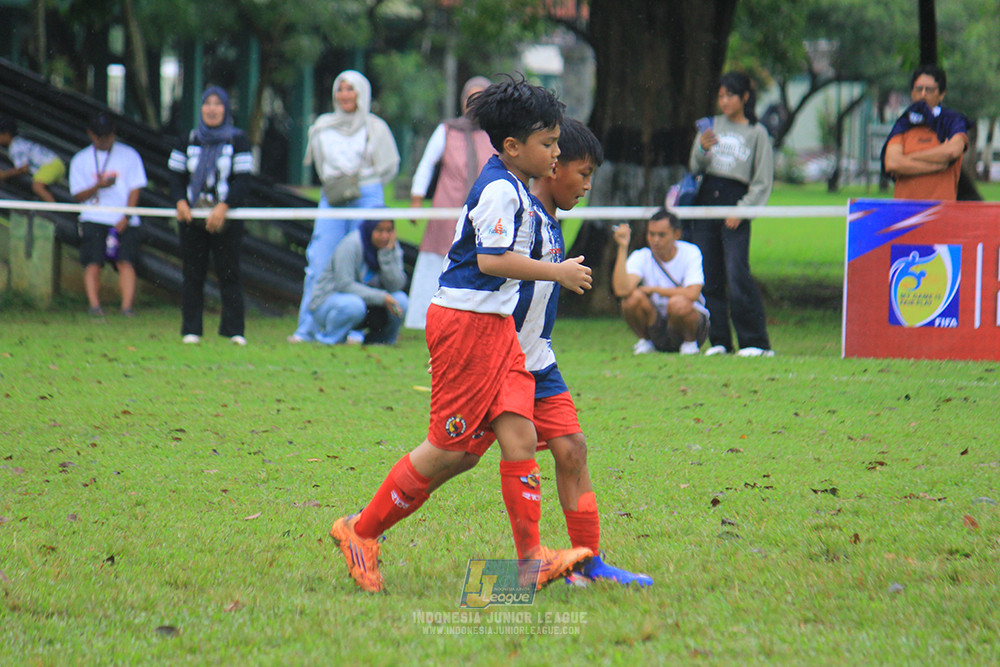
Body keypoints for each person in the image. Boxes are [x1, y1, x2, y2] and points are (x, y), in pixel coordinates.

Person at [328, 76, 594, 593]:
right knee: (449, 451)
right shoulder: (498, 188)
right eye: (549, 144)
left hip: (494, 326)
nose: (557, 153)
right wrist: (555, 271)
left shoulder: (515, 184)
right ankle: (359, 532)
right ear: (514, 147)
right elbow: (492, 260)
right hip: (464, 324)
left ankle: (531, 560)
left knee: (516, 437)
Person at [425, 118, 653, 587]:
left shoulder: (547, 222)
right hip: (498, 362)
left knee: (571, 448)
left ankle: (584, 563)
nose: (587, 185)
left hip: (537, 360)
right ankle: (369, 524)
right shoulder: (517, 213)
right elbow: (482, 273)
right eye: (582, 172)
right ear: (550, 166)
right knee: (452, 458)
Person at [289, 70, 400, 343]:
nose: (345, 95)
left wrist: (363, 183)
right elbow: (320, 165)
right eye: (341, 89)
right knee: (320, 259)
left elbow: (388, 168)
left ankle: (356, 325)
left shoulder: (375, 127)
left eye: (351, 89)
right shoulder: (323, 126)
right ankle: (307, 328)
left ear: (362, 92)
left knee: (362, 260)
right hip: (334, 194)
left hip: (368, 192)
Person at [688, 71, 774, 358]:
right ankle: (720, 341)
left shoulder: (757, 133)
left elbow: (762, 181)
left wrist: (743, 209)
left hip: (736, 203)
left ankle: (755, 343)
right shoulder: (711, 125)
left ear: (745, 98)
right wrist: (702, 148)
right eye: (721, 95)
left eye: (730, 95)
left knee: (737, 273)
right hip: (706, 201)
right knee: (709, 274)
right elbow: (695, 166)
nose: (724, 101)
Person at [404, 76, 495, 330]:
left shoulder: (497, 132)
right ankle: (421, 320)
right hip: (446, 208)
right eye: (470, 98)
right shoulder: (447, 130)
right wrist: (416, 199)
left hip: (484, 210)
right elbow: (426, 165)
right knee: (436, 259)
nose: (474, 104)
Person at [168, 86, 253, 346]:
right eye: (207, 103)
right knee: (193, 272)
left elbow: (243, 180)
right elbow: (175, 176)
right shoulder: (188, 139)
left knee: (229, 272)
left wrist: (223, 208)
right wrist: (181, 201)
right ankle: (191, 329)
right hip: (193, 217)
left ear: (226, 109)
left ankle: (233, 330)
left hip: (226, 218)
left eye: (218, 103)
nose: (212, 109)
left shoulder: (238, 140)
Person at [69, 111, 147, 317]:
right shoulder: (80, 159)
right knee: (93, 262)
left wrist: (126, 216)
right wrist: (98, 186)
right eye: (99, 135)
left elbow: (136, 188)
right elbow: (77, 195)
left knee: (126, 262)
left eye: (108, 135)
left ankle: (127, 308)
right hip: (93, 217)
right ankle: (95, 307)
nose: (104, 140)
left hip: (122, 218)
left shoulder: (130, 155)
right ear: (90, 134)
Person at [613, 209, 709, 356]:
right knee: (631, 299)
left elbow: (693, 293)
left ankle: (689, 343)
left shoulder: (690, 252)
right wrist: (622, 247)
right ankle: (646, 341)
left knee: (677, 303)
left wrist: (654, 290)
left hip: (687, 320)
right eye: (651, 234)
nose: (655, 240)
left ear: (676, 234)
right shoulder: (642, 256)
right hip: (656, 321)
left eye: (661, 235)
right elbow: (622, 290)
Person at [308, 218, 408, 345]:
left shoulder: (391, 247)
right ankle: (330, 340)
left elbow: (396, 286)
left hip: (367, 305)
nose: (385, 236)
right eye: (379, 230)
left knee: (401, 301)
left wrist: (386, 255)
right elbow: (344, 285)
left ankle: (381, 341)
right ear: (370, 229)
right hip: (330, 303)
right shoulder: (351, 244)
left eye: (389, 231)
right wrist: (381, 297)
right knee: (353, 305)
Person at [882, 65, 969, 201]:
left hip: (942, 214)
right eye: (918, 89)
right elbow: (893, 163)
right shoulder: (903, 125)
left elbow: (952, 151)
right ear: (912, 92)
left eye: (929, 90)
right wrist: (936, 165)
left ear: (941, 94)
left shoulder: (952, 123)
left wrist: (907, 158)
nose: (923, 94)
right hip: (905, 216)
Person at [0, 115, 65, 203]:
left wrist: (5, 174)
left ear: (6, 134)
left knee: (37, 187)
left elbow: (24, 168)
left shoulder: (15, 147)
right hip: (57, 163)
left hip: (49, 165)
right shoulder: (20, 141)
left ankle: (54, 208)